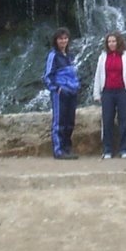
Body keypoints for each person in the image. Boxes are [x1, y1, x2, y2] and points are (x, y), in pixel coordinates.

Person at [92, 31, 126, 159]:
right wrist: (97, 93)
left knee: (124, 120)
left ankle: (124, 149)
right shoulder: (103, 56)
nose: (112, 44)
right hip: (107, 91)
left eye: (114, 41)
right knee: (107, 120)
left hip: (123, 91)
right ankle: (107, 149)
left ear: (118, 42)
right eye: (109, 41)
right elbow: (98, 75)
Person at [43, 27, 81, 160]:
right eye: (60, 39)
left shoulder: (70, 55)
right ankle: (58, 150)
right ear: (56, 40)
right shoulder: (53, 55)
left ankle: (67, 148)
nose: (63, 41)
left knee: (70, 121)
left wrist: (76, 86)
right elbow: (47, 76)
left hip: (72, 91)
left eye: (65, 38)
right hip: (60, 93)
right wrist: (56, 88)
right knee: (59, 122)